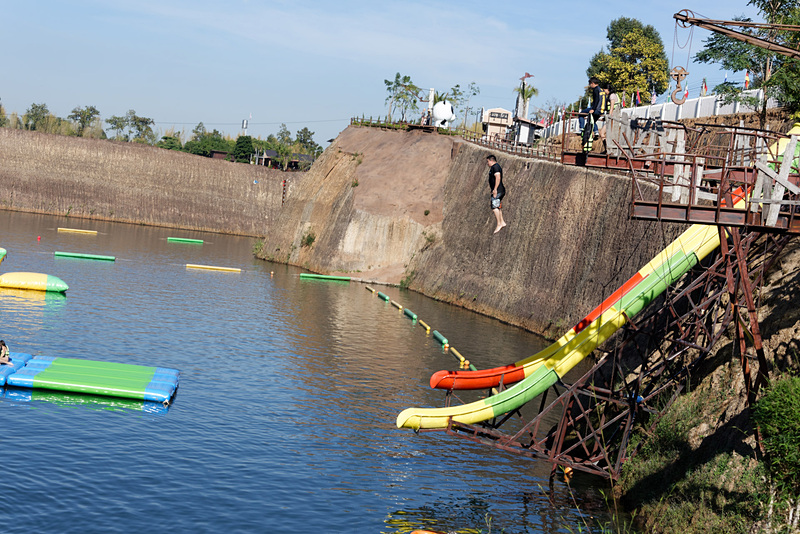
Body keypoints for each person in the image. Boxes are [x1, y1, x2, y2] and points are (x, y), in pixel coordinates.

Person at [582, 77, 604, 152]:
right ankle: (596, 130)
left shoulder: (596, 90)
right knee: (592, 121)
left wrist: (593, 109)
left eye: (590, 84)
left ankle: (581, 128)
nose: (590, 86)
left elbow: (596, 100)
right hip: (601, 109)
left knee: (581, 114)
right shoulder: (601, 90)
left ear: (593, 83)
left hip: (596, 109)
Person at [486, 154, 507, 234]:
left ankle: (499, 224)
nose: (487, 163)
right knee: (497, 206)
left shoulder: (496, 167)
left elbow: (498, 177)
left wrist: (495, 189)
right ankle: (502, 222)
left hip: (498, 190)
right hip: (498, 190)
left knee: (494, 207)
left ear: (491, 161)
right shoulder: (494, 167)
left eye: (488, 161)